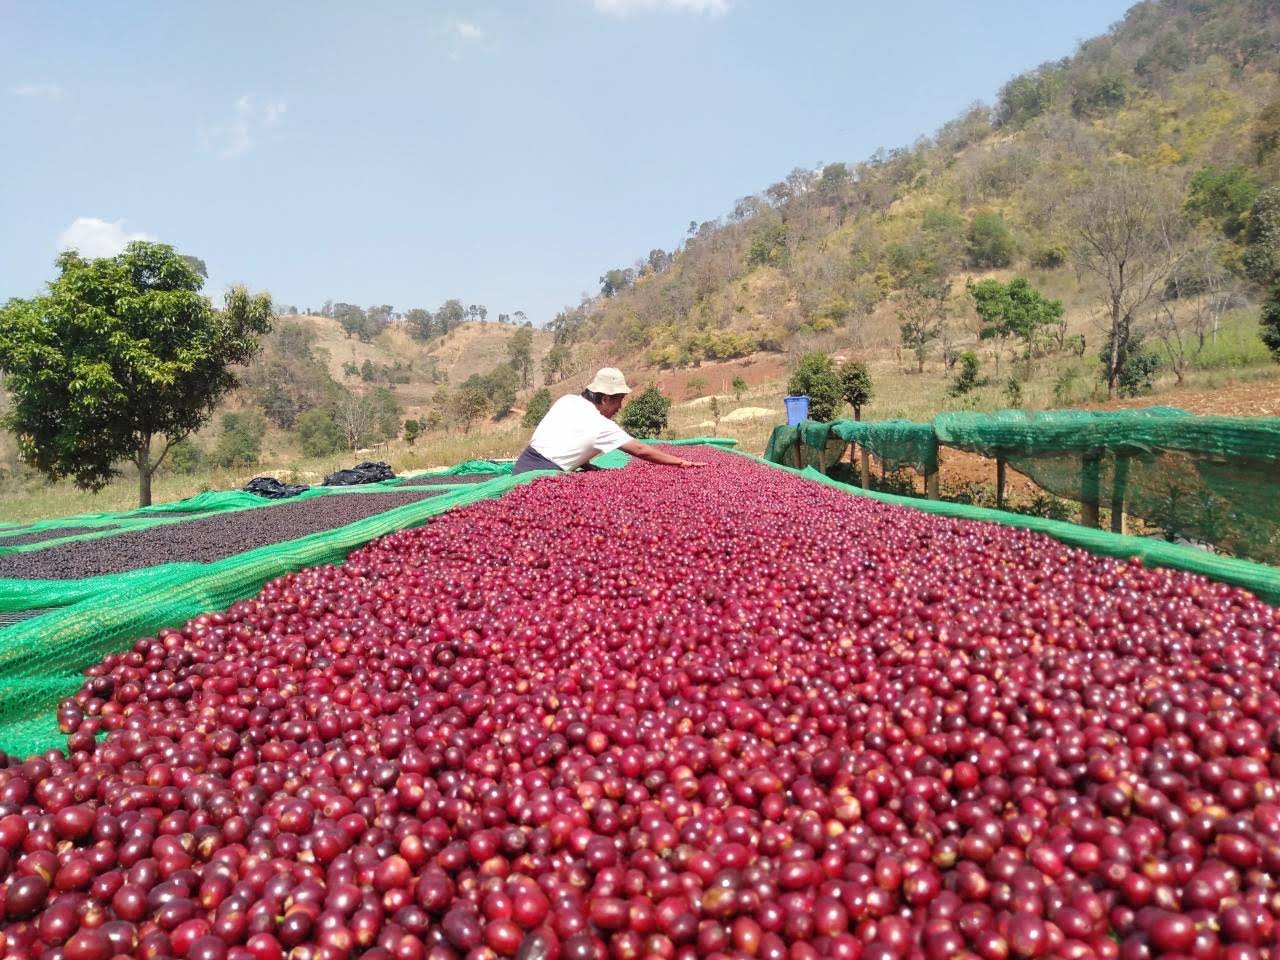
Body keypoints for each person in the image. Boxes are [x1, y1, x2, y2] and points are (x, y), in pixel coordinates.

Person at [512, 368, 706, 475]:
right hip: (543, 475)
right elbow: (640, 450)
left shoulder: (567, 400)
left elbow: (564, 440)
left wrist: (587, 466)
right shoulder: (601, 425)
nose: (620, 407)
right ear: (605, 399)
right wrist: (681, 462)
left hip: (521, 467)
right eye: (619, 400)